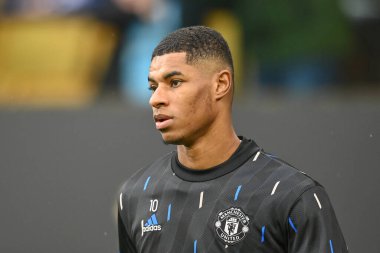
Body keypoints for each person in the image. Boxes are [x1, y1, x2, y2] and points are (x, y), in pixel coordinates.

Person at [117, 26, 348, 252]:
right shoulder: (135, 196)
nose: (155, 99)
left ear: (221, 84)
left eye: (175, 83)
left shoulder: (293, 197)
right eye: (153, 87)